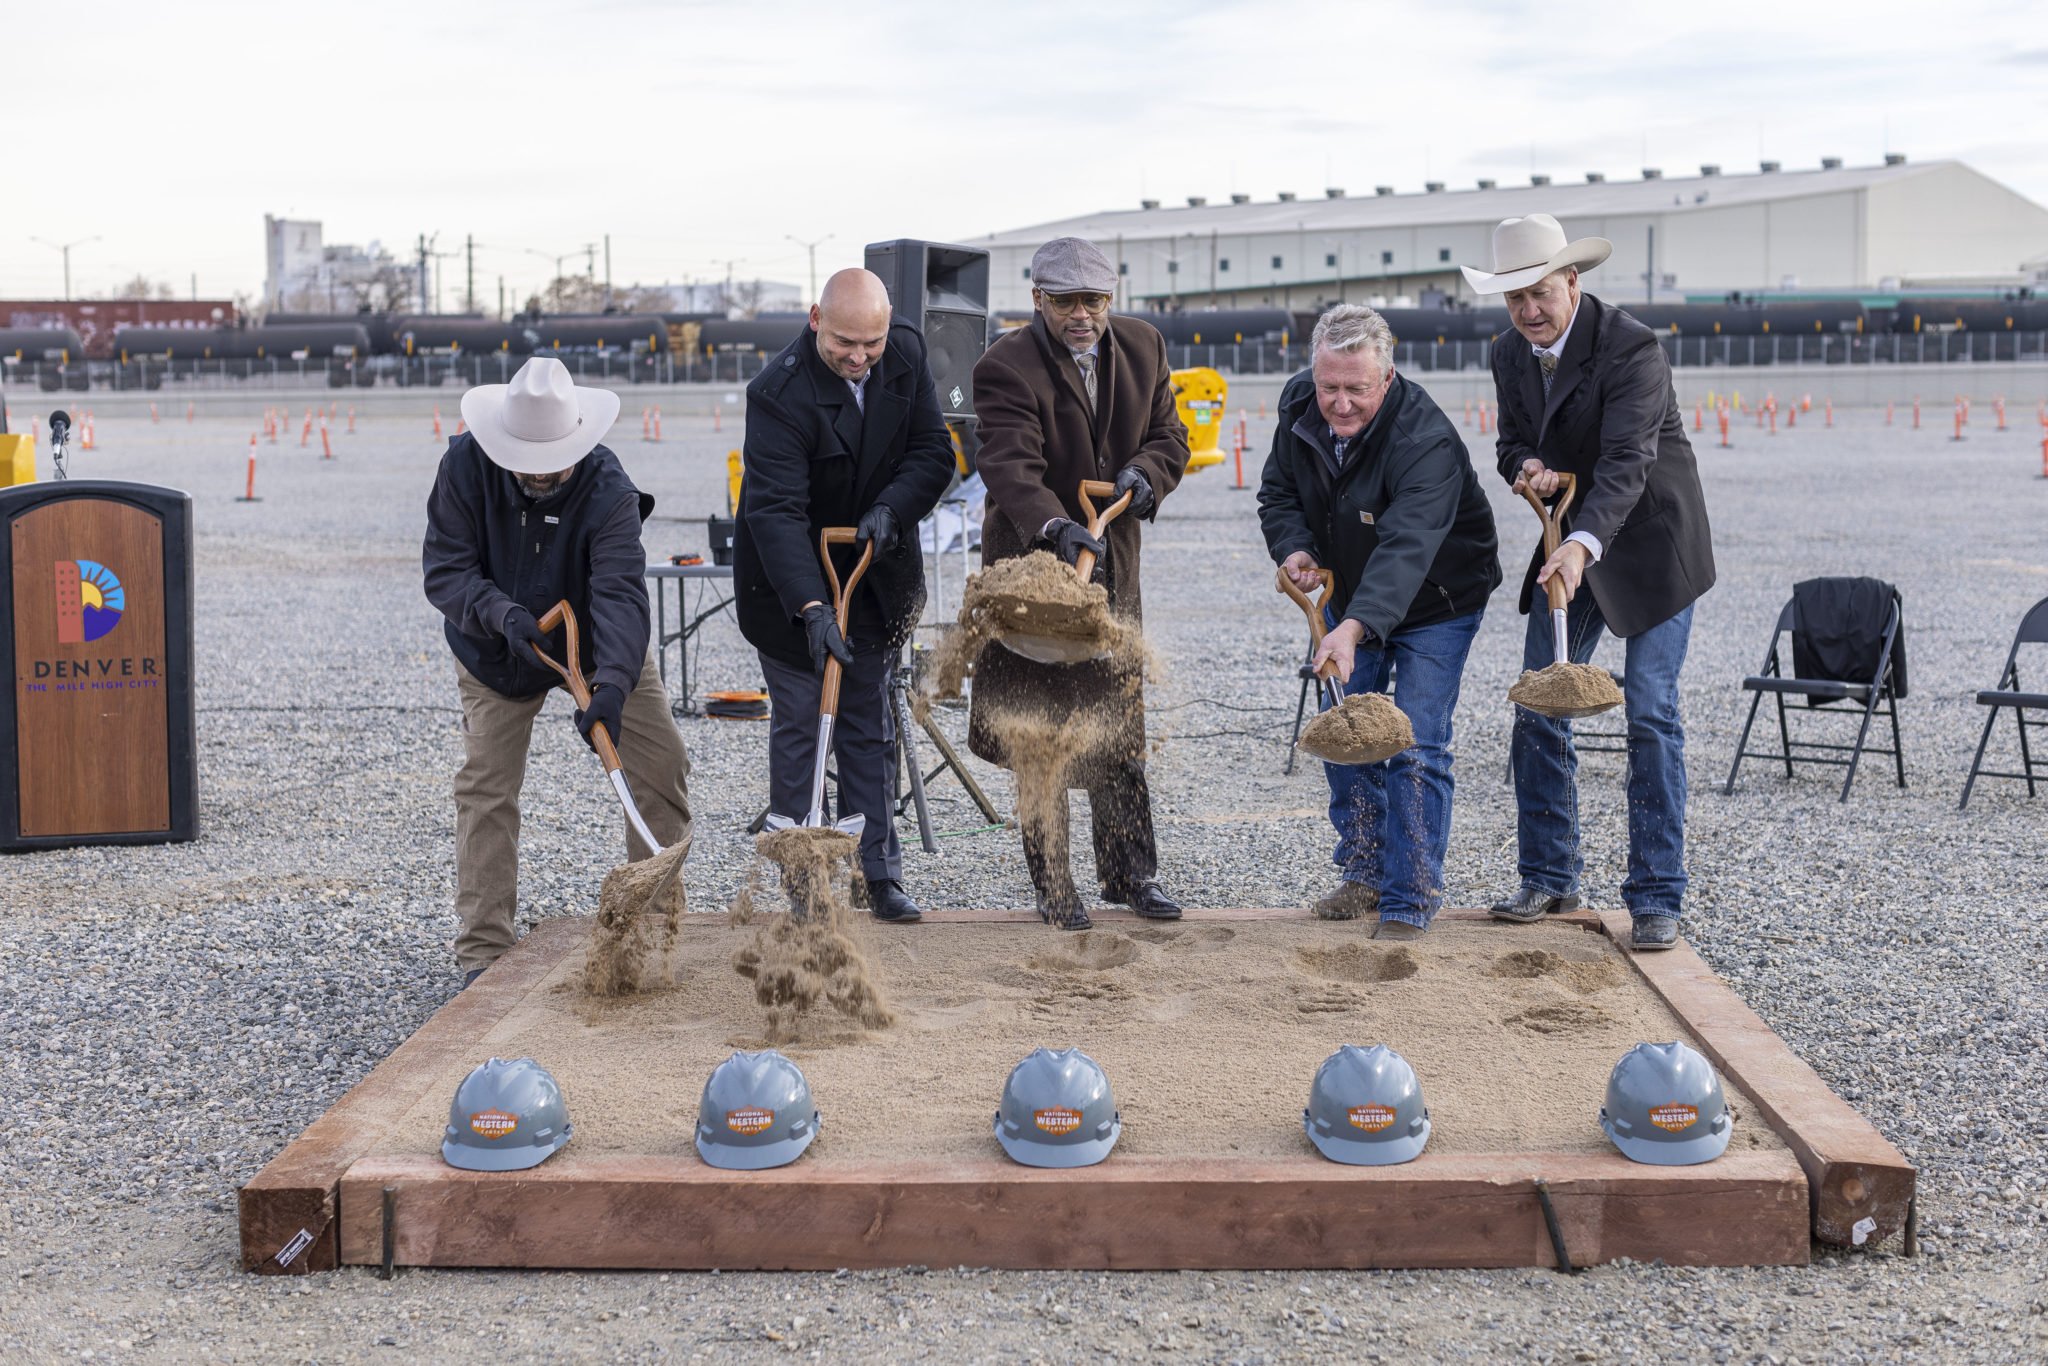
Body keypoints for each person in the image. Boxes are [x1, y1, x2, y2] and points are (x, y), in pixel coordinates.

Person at [1462, 214, 1716, 951]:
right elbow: (1513, 440)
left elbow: (1628, 462)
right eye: (1514, 301)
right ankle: (1549, 874)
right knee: (1538, 703)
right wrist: (1525, 469)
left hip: (1652, 547)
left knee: (1650, 712)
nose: (1528, 313)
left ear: (1572, 281)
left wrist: (1580, 543)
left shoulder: (1632, 348)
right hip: (1567, 540)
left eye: (1540, 294)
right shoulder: (1509, 353)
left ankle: (1657, 896)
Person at [424, 356, 693, 986]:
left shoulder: (609, 490)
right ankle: (484, 954)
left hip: (596, 645)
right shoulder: (463, 467)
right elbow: (445, 570)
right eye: (529, 465)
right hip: (494, 648)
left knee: (661, 764)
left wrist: (615, 687)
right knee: (486, 786)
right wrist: (499, 613)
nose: (543, 475)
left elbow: (623, 595)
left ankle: (651, 933)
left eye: (556, 463)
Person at [967, 237, 1191, 930]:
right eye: (1065, 301)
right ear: (1038, 299)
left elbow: (1169, 438)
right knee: (1041, 733)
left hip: (1112, 571)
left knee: (1117, 725)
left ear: (1110, 299)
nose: (1081, 315)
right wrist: (1057, 527)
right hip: (1032, 573)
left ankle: (1131, 875)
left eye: (1093, 300)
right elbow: (1008, 466)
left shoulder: (1146, 346)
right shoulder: (1005, 365)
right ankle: (1054, 886)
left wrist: (1145, 478)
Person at [1259, 305, 1502, 939]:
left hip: (1437, 599)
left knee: (1414, 741)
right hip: (1349, 593)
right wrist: (1295, 549)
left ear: (1386, 379)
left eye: (1355, 390)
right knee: (1346, 734)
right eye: (1328, 386)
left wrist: (1355, 624)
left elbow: (1408, 547)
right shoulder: (1299, 408)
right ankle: (1364, 870)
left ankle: (1409, 894)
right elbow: (1278, 493)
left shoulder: (1425, 439)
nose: (1339, 404)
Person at [733, 268, 956, 922]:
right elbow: (773, 511)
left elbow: (933, 454)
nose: (858, 358)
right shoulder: (777, 393)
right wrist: (810, 608)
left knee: (868, 725)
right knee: (804, 723)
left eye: (871, 344)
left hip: (874, 577)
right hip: (789, 584)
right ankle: (805, 883)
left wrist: (891, 510)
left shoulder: (907, 353)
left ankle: (877, 873)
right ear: (814, 321)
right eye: (843, 344)